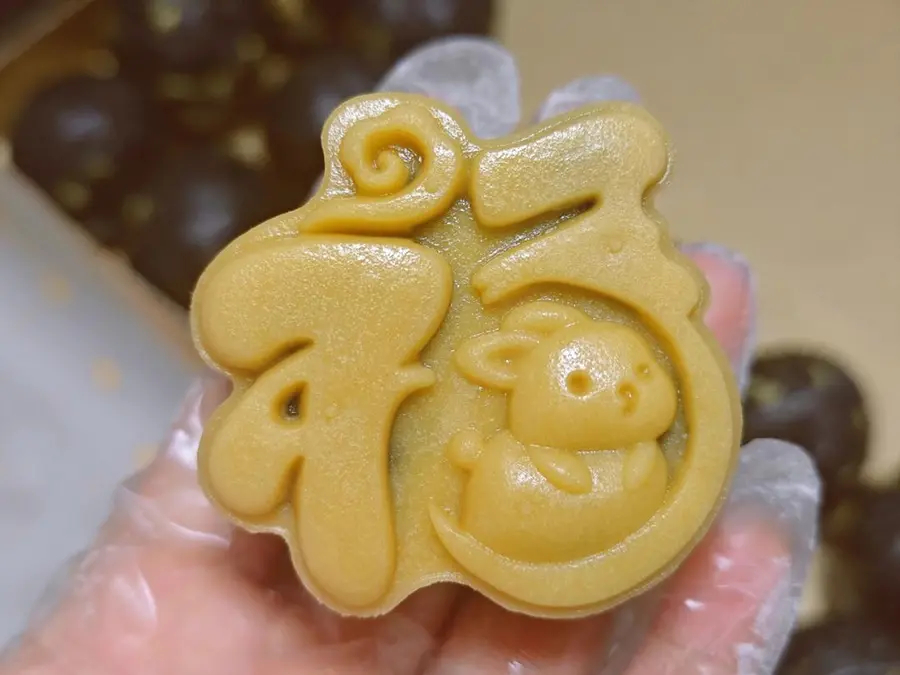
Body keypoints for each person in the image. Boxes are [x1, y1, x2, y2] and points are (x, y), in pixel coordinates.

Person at [0, 244, 819, 675]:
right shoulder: (500, 454)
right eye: (583, 377)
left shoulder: (636, 459)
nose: (630, 391)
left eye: (639, 373)